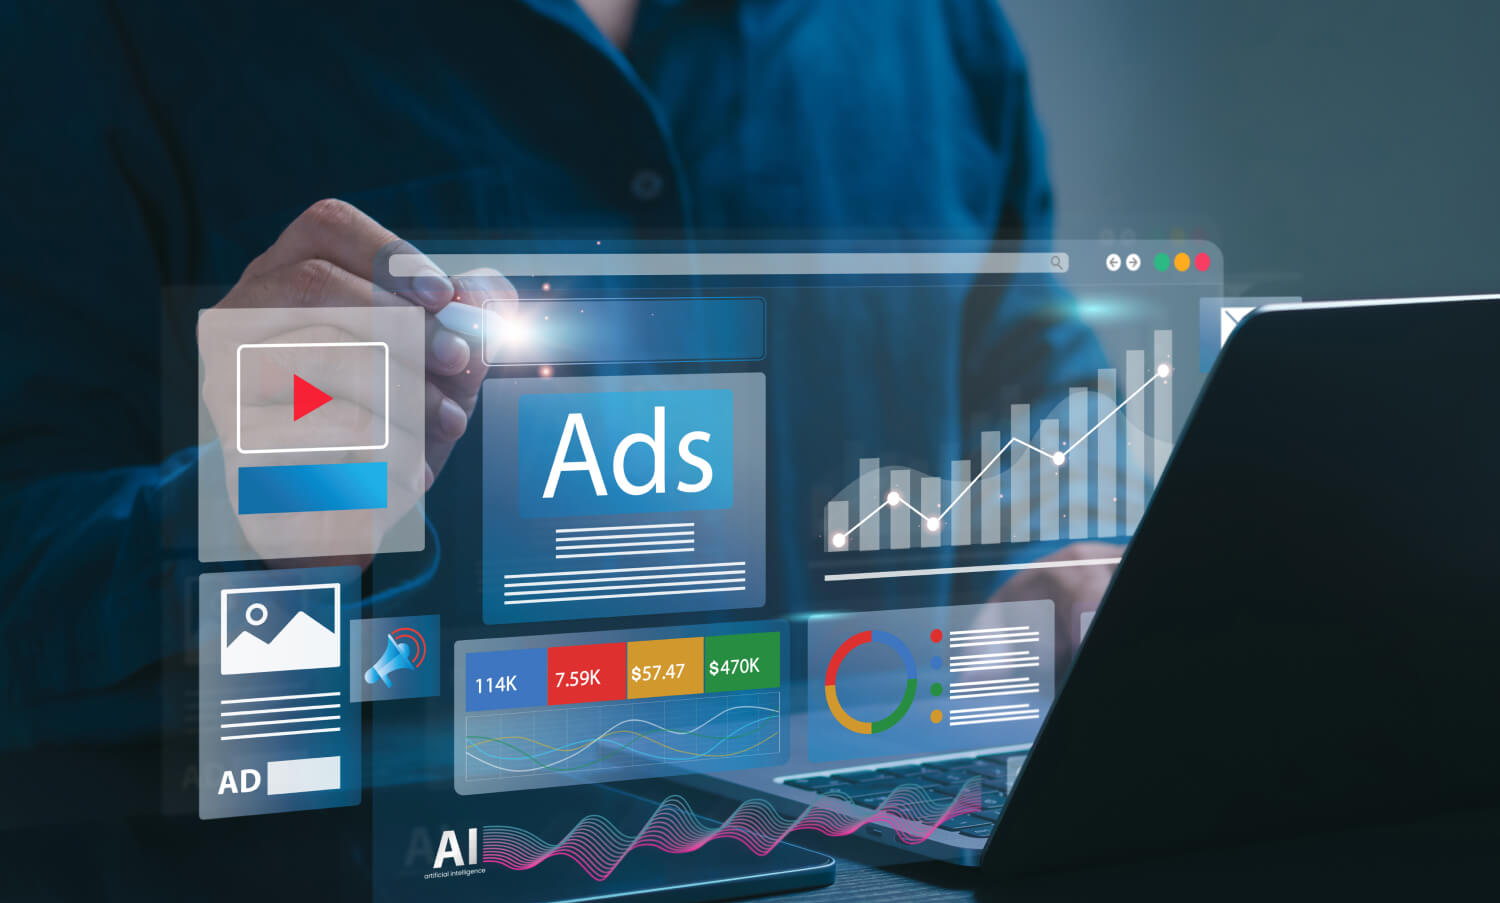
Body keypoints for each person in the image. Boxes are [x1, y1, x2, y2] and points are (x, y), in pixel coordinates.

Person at [0, 0, 1113, 746]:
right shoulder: (103, 31)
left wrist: (1051, 579)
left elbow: (1036, 397)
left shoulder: (929, 23)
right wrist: (248, 515)